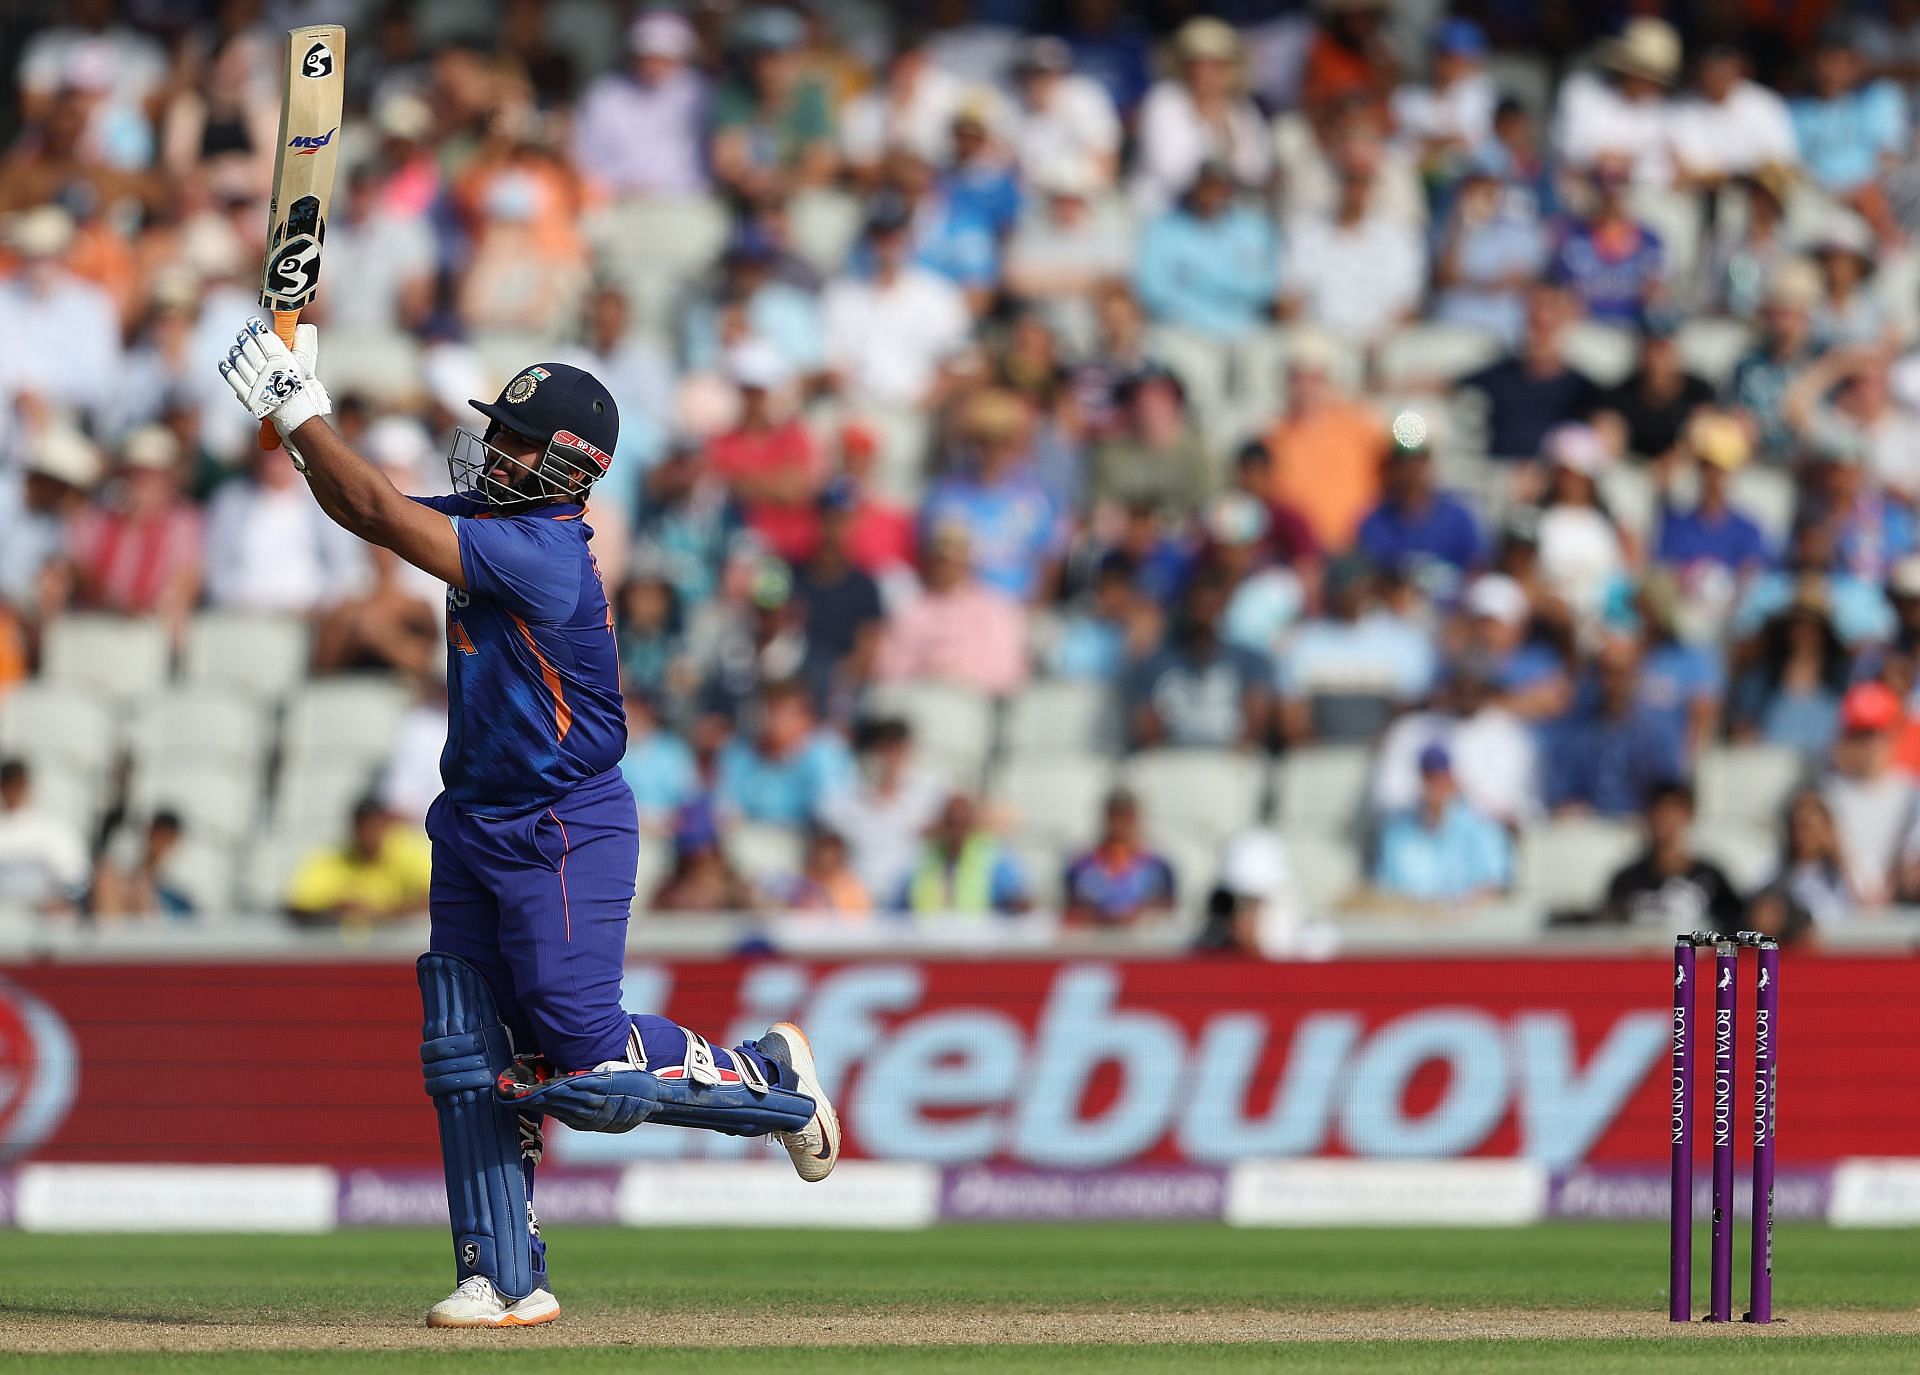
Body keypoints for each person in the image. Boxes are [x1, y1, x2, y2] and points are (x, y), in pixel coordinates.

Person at [219, 319, 840, 1329]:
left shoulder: (543, 552)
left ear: (563, 463)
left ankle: (772, 1080)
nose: (491, 449)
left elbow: (375, 503)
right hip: (473, 817)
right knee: (465, 1047)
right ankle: (502, 1275)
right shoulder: (495, 523)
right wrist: (296, 421)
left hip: (563, 822)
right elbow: (362, 511)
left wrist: (303, 408)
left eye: (511, 439)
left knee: (589, 1066)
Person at [1368, 745, 1512, 905]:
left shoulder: (1481, 826)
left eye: (1441, 777)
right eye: (1430, 778)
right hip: (1410, 923)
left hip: (1471, 924)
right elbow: (1387, 888)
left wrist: (1458, 914)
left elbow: (1495, 885)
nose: (1436, 786)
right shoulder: (1397, 831)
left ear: (1452, 778)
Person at [1819, 681, 1917, 907]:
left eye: (1876, 734)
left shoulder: (1911, 791)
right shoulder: (1828, 791)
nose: (1870, 746)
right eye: (1860, 735)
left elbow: (1910, 858)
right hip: (1840, 909)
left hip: (1901, 908)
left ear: (1892, 735)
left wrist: (1891, 889)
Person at [1598, 780, 1743, 930]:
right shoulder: (1625, 881)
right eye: (1658, 809)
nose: (1664, 818)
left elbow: (1733, 929)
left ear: (1688, 815)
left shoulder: (1712, 878)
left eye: (1673, 809)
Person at [285, 797, 433, 929]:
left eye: (374, 825)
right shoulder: (332, 859)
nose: (369, 833)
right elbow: (298, 906)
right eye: (363, 826)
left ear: (386, 826)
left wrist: (378, 914)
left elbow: (433, 898)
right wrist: (335, 909)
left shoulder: (408, 850)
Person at [895, 792, 1031, 918]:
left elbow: (1016, 897)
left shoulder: (992, 858)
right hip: (928, 941)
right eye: (951, 823)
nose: (957, 831)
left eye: (962, 822)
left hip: (977, 941)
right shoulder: (925, 860)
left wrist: (1018, 904)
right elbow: (899, 904)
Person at [1062, 788, 1177, 929]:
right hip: (1095, 943)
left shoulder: (1158, 866)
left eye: (1127, 815)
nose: (1120, 822)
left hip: (1144, 943)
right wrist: (1105, 918)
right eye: (1115, 815)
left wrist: (1139, 915)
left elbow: (1168, 909)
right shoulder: (1081, 865)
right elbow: (1071, 909)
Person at [0, 757, 88, 918]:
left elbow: (76, 881)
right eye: (7, 784)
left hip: (44, 923)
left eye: (18, 784)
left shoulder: (54, 831)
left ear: (27, 785)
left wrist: (62, 900)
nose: (12, 791)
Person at [90, 809, 193, 920]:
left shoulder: (178, 901)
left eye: (167, 837)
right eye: (156, 834)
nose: (160, 843)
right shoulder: (112, 879)